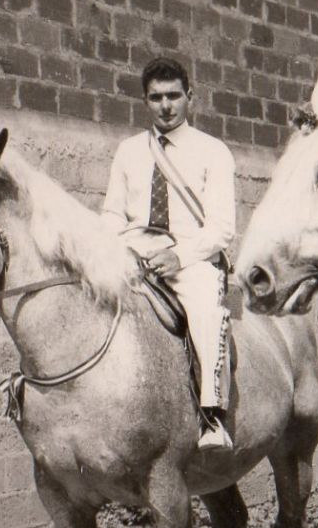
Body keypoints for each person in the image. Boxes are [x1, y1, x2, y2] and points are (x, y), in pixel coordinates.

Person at [101, 57, 238, 449]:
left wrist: (179, 256)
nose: (166, 106)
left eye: (174, 96)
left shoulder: (214, 151)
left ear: (190, 97)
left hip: (190, 255)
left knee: (207, 312)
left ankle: (212, 416)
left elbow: (221, 228)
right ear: (145, 101)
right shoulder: (129, 151)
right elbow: (113, 212)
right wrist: (113, 248)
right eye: (156, 97)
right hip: (134, 248)